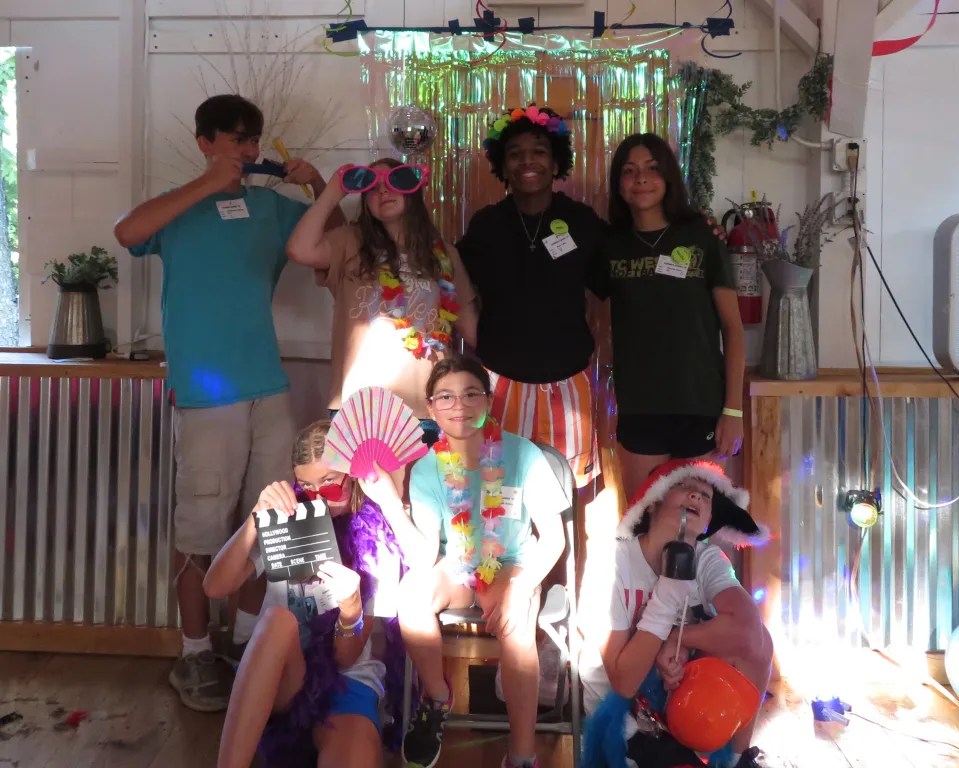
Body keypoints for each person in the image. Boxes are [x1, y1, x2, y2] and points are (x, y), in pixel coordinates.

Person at [113, 94, 342, 711]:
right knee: (200, 524)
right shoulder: (177, 208)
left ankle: (244, 645)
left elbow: (343, 249)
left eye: (252, 139)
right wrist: (208, 184)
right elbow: (127, 232)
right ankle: (193, 655)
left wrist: (318, 183)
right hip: (206, 395)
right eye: (235, 138)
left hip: (268, 386)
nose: (248, 148)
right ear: (205, 142)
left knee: (270, 522)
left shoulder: (271, 207)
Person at [358, 355, 569, 768]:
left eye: (471, 394)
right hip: (455, 564)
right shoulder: (426, 469)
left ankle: (521, 756)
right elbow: (424, 557)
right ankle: (438, 698)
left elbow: (554, 538)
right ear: (431, 407)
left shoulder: (523, 455)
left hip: (510, 563)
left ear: (488, 401)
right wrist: (389, 503)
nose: (459, 405)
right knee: (411, 595)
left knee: (517, 621)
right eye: (446, 397)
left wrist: (520, 588)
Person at [204, 420, 407, 768]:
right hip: (284, 673)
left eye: (329, 484)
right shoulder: (288, 520)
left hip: (349, 681)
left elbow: (345, 660)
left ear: (354, 475)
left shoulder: (377, 537)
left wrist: (351, 608)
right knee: (278, 621)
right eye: (307, 487)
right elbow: (215, 586)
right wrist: (255, 518)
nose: (319, 498)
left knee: (353, 758)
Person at [577, 458, 773, 768]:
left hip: (682, 695)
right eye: (683, 486)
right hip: (624, 719)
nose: (696, 496)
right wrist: (668, 591)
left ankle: (735, 761)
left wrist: (676, 639)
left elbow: (749, 632)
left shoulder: (708, 558)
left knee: (760, 643)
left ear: (708, 522)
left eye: (706, 496)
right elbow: (624, 683)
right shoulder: (611, 561)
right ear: (653, 502)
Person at [457, 105, 605, 489]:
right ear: (502, 166)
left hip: (567, 384)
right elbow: (454, 285)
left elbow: (614, 280)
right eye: (515, 153)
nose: (527, 161)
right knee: (499, 492)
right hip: (501, 383)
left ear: (556, 163)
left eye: (539, 151)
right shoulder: (486, 225)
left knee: (567, 493)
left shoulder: (582, 221)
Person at [596, 133, 746, 501]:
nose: (641, 179)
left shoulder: (701, 236)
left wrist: (733, 411)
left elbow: (733, 328)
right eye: (629, 171)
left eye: (652, 168)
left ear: (668, 176)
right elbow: (597, 324)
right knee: (644, 520)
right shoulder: (609, 244)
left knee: (699, 522)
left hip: (701, 405)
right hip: (639, 408)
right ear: (619, 183)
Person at [286, 156, 478, 423]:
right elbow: (299, 249)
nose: (384, 190)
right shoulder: (349, 242)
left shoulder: (444, 254)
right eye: (373, 187)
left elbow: (471, 329)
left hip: (431, 406)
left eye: (394, 180)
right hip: (361, 407)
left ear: (412, 189)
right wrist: (333, 191)